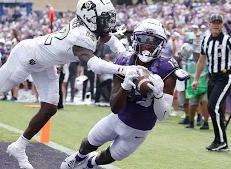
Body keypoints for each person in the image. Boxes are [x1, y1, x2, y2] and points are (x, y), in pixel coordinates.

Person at [0, 0, 141, 169]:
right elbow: (95, 65)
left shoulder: (89, 27)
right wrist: (124, 68)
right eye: (104, 18)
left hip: (45, 62)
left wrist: (125, 53)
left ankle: (19, 146)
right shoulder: (81, 35)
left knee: (50, 107)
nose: (108, 23)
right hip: (27, 55)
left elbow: (111, 39)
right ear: (89, 17)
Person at [60, 19, 189, 169]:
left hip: (141, 128)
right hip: (117, 118)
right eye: (143, 40)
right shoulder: (124, 60)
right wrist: (125, 86)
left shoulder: (167, 69)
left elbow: (163, 116)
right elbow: (114, 107)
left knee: (109, 157)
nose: (147, 46)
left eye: (152, 41)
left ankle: (89, 164)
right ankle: (78, 157)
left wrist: (159, 95)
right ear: (135, 40)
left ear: (161, 44)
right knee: (90, 142)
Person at [192, 14, 231, 152]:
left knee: (213, 107)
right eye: (214, 23)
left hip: (224, 77)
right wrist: (196, 78)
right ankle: (221, 142)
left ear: (222, 25)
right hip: (212, 78)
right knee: (215, 109)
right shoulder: (206, 40)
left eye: (219, 23)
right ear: (209, 24)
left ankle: (220, 141)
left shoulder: (227, 40)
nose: (216, 25)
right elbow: (202, 60)